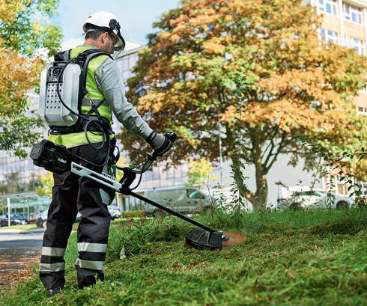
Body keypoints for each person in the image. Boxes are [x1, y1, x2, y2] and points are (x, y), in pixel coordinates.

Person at [39, 11, 171, 296]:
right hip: (91, 148)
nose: (113, 47)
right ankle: (88, 280)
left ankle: (51, 282)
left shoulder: (62, 61)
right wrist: (154, 138)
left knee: (60, 211)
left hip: (59, 149)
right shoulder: (102, 62)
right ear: (104, 36)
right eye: (113, 41)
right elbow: (122, 110)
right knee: (94, 209)